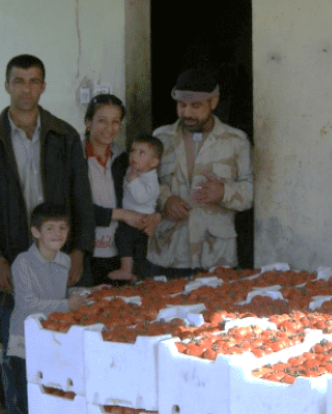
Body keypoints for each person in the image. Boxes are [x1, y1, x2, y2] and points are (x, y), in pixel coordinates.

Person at [0, 55, 95, 414]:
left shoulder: (64, 136)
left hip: (58, 258)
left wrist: (79, 250)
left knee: (62, 344)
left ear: (43, 86)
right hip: (12, 260)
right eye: (19, 81)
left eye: (34, 81)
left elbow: (82, 198)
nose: (26, 88)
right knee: (14, 350)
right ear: (7, 85)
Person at [148, 67, 254, 278]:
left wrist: (223, 192)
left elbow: (250, 193)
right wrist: (166, 199)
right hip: (168, 253)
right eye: (181, 105)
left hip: (216, 256)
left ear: (213, 102)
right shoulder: (161, 138)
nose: (187, 113)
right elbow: (142, 182)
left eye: (195, 106)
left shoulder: (236, 141)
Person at [2, 203, 86, 414]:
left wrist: (75, 296)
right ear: (36, 232)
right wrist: (66, 305)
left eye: (62, 228)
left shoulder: (64, 260)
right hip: (24, 339)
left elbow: (58, 295)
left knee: (48, 388)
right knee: (27, 393)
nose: (57, 234)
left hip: (51, 336)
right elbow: (27, 304)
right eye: (49, 228)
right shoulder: (23, 262)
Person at [80, 93, 161, 284]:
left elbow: (151, 190)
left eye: (115, 121)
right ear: (88, 122)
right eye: (102, 121)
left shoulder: (126, 159)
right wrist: (121, 214)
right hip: (85, 252)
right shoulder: (75, 158)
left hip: (122, 253)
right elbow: (73, 208)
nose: (110, 128)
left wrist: (156, 216)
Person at [106, 134, 163, 282]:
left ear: (154, 162)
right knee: (125, 241)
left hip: (142, 221)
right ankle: (129, 272)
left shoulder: (151, 178)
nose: (134, 156)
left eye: (141, 153)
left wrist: (133, 181)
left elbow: (142, 197)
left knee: (135, 246)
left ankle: (133, 273)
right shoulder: (134, 171)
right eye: (132, 151)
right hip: (130, 217)